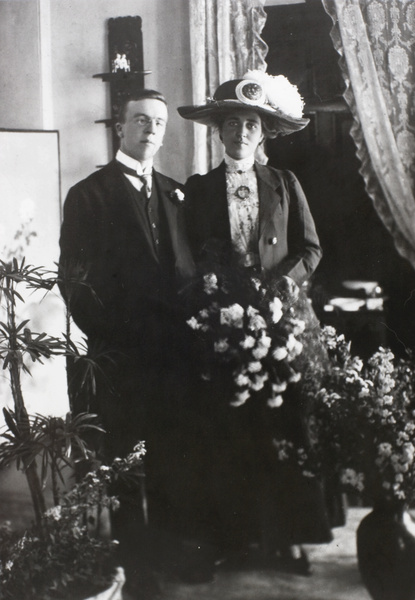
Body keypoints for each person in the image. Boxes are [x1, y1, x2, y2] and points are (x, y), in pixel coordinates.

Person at [177, 71, 341, 575]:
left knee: (285, 427)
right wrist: (217, 300)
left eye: (250, 124)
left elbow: (310, 248)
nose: (241, 132)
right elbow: (188, 259)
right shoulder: (200, 189)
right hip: (224, 323)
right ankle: (233, 538)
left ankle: (291, 538)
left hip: (282, 323)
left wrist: (280, 288)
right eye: (232, 123)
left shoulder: (283, 184)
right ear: (218, 131)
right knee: (229, 431)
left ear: (263, 131)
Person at [58, 89, 196, 593]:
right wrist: (114, 337)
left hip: (174, 357)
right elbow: (73, 281)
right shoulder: (89, 194)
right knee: (123, 463)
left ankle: (162, 557)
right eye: (141, 120)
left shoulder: (178, 194)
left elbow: (189, 273)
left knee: (169, 458)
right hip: (121, 357)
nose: (151, 129)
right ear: (121, 127)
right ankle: (134, 569)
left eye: (158, 122)